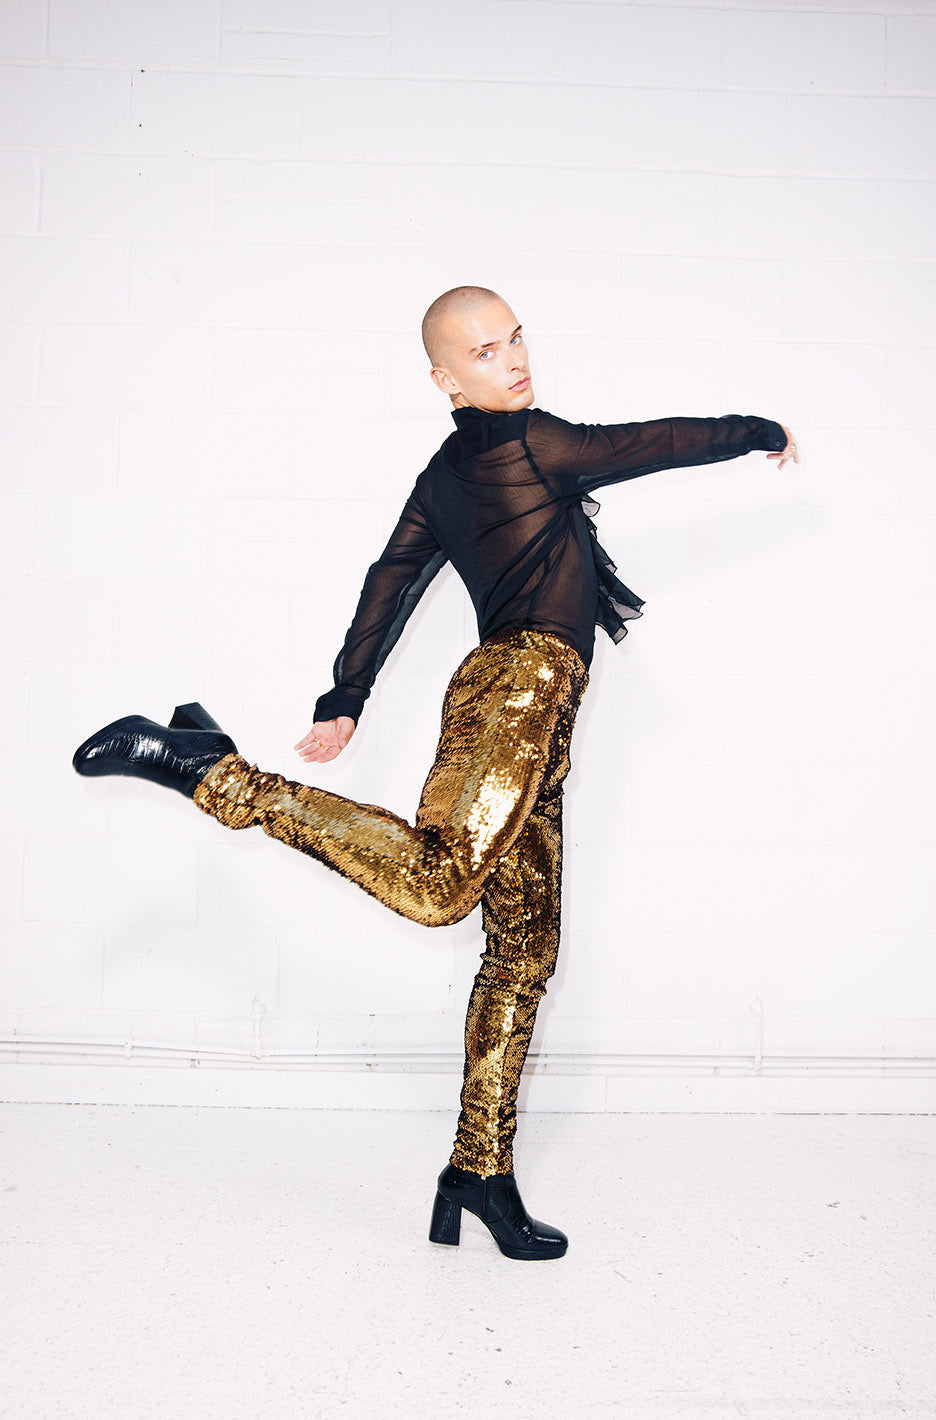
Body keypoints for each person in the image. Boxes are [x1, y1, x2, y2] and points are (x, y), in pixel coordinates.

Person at [74, 286, 797, 1261]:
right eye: (484, 351)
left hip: (534, 715)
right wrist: (753, 428)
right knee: (435, 885)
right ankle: (215, 773)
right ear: (443, 377)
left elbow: (393, 576)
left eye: (515, 340)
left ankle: (478, 1173)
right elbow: (647, 442)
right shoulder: (531, 441)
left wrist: (345, 696)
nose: (511, 361)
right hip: (513, 696)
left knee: (523, 951)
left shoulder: (447, 473)